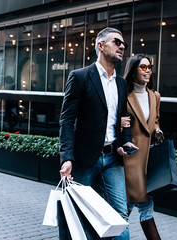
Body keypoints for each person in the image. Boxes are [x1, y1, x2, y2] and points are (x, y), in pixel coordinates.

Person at [59, 27, 137, 240]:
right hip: (85, 159)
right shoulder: (80, 77)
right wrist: (67, 158)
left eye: (124, 44)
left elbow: (123, 119)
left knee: (119, 214)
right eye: (117, 42)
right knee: (75, 212)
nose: (122, 46)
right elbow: (67, 119)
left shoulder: (121, 83)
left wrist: (125, 142)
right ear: (100, 46)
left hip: (112, 158)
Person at [121, 55, 163, 240]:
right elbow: (111, 121)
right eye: (142, 67)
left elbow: (154, 121)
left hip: (148, 159)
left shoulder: (154, 96)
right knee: (134, 204)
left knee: (141, 204)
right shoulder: (123, 94)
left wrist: (157, 130)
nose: (147, 71)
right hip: (128, 159)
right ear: (133, 70)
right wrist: (119, 123)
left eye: (149, 67)